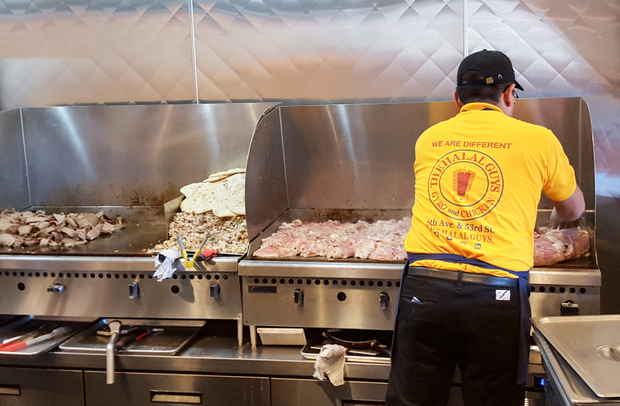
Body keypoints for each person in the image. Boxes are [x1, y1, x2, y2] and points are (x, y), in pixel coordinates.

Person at [385, 49, 585, 406]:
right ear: (509, 94)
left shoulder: (429, 138)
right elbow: (574, 208)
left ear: (457, 98)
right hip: (496, 296)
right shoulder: (539, 139)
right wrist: (558, 215)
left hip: (424, 289)